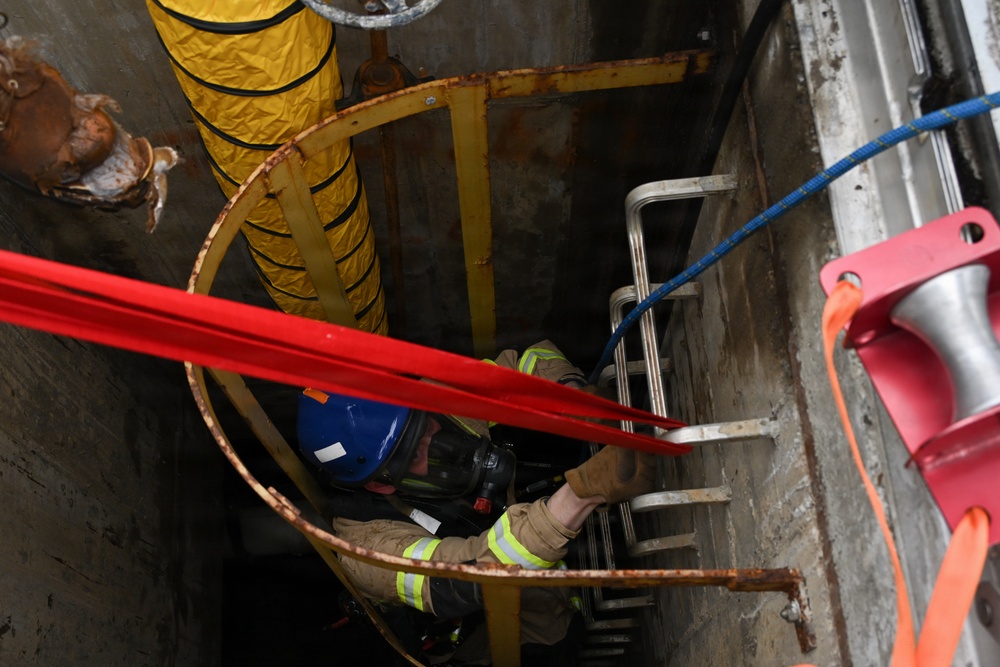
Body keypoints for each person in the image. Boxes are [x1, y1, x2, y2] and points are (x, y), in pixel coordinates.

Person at [296, 340, 656, 665]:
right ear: (379, 484)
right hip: (494, 630)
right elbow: (465, 578)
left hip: (534, 559)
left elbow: (522, 363)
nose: (440, 446)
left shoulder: (429, 399)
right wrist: (581, 492)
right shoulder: (367, 550)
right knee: (556, 640)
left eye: (426, 426)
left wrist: (570, 393)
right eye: (415, 454)